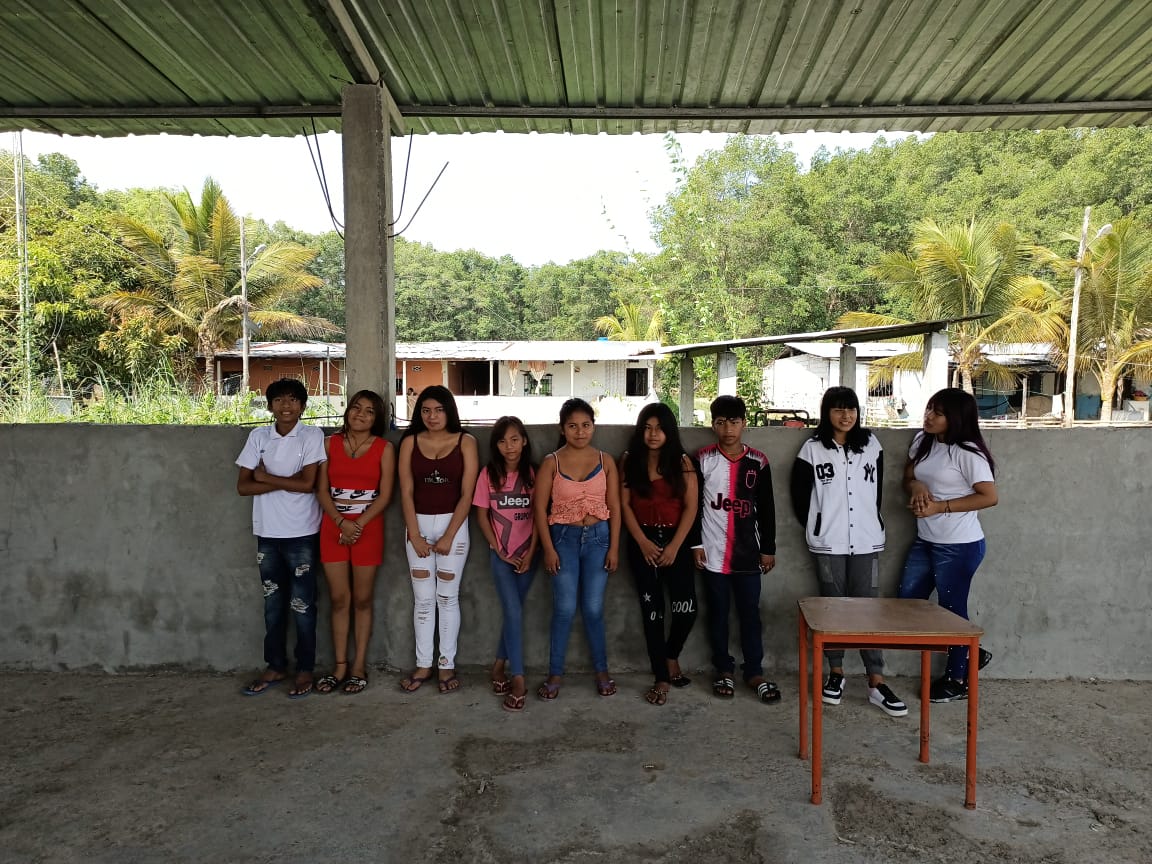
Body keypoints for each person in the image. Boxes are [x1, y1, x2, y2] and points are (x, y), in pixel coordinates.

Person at [790, 386, 907, 717]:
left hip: (866, 541)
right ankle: (836, 672)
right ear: (827, 412)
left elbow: (876, 491)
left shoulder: (871, 444)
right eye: (838, 409)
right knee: (832, 607)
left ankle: (876, 681)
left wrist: (869, 520)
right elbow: (800, 498)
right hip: (828, 542)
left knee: (868, 609)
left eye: (851, 409)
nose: (846, 415)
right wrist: (820, 524)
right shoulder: (812, 449)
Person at [899, 387, 998, 703]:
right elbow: (908, 476)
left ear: (956, 418)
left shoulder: (967, 453)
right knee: (907, 604)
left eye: (938, 413)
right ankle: (970, 653)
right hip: (926, 540)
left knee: (952, 612)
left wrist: (940, 507)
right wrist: (917, 486)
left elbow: (989, 497)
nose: (929, 416)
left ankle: (957, 680)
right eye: (929, 408)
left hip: (959, 545)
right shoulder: (923, 441)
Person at [235, 378, 327, 699]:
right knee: (273, 604)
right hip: (267, 533)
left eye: (292, 400)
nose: (285, 406)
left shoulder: (312, 436)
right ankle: (275, 665)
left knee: (303, 605)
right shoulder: (258, 436)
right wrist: (285, 481)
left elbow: (308, 484)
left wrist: (264, 476)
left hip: (302, 533)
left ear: (303, 406)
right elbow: (243, 486)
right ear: (270, 405)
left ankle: (305, 669)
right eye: (278, 400)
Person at [693, 395, 781, 704]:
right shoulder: (702, 459)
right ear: (713, 425)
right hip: (712, 553)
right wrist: (696, 544)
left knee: (750, 614)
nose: (727, 429)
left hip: (748, 554)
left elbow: (767, 509)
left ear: (744, 423)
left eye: (733, 422)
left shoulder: (759, 461)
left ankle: (754, 671)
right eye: (720, 422)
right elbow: (693, 507)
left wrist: (768, 548)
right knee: (717, 613)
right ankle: (723, 669)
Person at [533, 398, 621, 700]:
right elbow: (539, 509)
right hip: (563, 541)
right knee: (565, 609)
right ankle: (555, 673)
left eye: (586, 425)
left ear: (593, 427)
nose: (580, 432)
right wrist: (548, 549)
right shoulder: (551, 463)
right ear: (562, 429)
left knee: (593, 609)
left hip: (599, 540)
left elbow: (615, 508)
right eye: (572, 426)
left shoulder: (606, 461)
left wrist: (614, 548)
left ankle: (602, 671)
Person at [397, 385, 479, 694]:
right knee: (422, 599)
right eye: (426, 411)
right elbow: (405, 492)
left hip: (453, 528)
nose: (432, 416)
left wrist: (448, 535)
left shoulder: (466, 442)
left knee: (447, 597)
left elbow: (467, 494)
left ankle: (446, 663)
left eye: (439, 410)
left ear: (449, 411)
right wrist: (414, 535)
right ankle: (423, 664)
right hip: (416, 526)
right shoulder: (409, 442)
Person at [314, 390, 395, 695]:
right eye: (356, 408)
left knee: (362, 600)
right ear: (347, 411)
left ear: (377, 419)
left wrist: (357, 525)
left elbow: (385, 496)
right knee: (338, 599)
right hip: (333, 528)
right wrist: (341, 522)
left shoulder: (384, 449)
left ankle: (358, 666)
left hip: (367, 530)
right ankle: (339, 666)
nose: (361, 414)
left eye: (369, 411)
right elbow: (321, 490)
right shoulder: (328, 444)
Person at [619, 403, 699, 706]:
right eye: (647, 428)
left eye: (660, 428)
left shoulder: (682, 462)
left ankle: (671, 655)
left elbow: (691, 507)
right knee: (653, 613)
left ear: (670, 431)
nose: (653, 434)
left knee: (687, 610)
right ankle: (661, 678)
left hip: (676, 540)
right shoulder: (630, 460)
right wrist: (642, 541)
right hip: (642, 541)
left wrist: (676, 546)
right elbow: (624, 505)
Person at [473, 416, 538, 712]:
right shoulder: (488, 474)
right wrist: (499, 550)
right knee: (513, 612)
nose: (509, 446)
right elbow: (481, 515)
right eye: (502, 441)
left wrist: (532, 553)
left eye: (514, 439)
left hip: (529, 556)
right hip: (501, 556)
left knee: (515, 613)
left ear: (524, 441)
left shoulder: (534, 474)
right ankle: (519, 678)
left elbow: (540, 515)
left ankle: (498, 665)